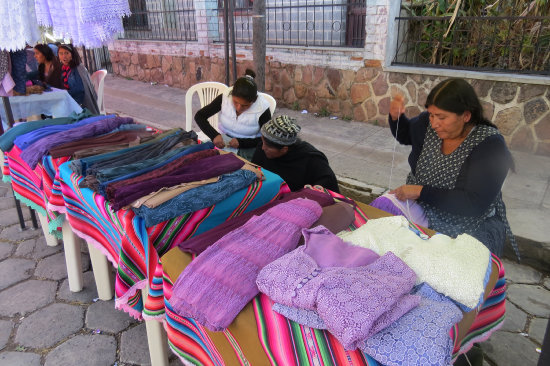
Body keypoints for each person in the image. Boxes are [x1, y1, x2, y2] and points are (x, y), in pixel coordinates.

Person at [371, 78, 519, 261]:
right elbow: (406, 134)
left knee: (447, 265)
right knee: (380, 212)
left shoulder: (490, 146)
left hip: (466, 220)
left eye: (441, 117)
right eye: (431, 115)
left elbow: (473, 203)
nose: (434, 123)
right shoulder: (428, 124)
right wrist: (396, 118)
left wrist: (419, 191)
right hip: (422, 204)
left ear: (466, 116)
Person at [194, 69, 271, 160]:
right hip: (224, 143)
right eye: (235, 102)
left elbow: (267, 139)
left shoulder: (262, 108)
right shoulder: (225, 98)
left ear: (254, 101)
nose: (238, 108)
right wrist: (214, 135)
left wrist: (241, 143)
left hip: (249, 148)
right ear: (231, 95)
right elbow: (199, 116)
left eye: (245, 105)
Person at [252, 115, 340, 193]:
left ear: (284, 149)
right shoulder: (262, 149)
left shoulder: (312, 160)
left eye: (268, 146)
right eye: (262, 141)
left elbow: (328, 189)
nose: (263, 148)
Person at [57, 44, 99, 115]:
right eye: (61, 53)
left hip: (79, 103)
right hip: (69, 99)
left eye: (67, 53)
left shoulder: (78, 68)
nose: (64, 56)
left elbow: (80, 89)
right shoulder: (62, 68)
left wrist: (64, 93)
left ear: (72, 55)